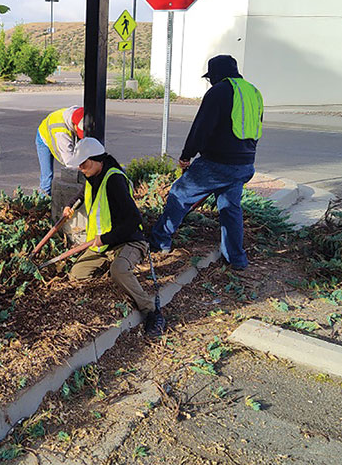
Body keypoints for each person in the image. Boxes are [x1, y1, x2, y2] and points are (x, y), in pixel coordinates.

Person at [149, 54, 263, 270]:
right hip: (244, 164)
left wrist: (186, 155)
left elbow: (201, 127)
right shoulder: (253, 92)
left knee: (179, 195)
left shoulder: (218, 91)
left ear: (217, 75)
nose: (210, 81)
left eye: (210, 77)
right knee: (230, 208)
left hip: (217, 163)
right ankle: (237, 259)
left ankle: (159, 243)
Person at [65, 137, 163, 336]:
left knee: (118, 270)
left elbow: (134, 221)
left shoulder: (114, 180)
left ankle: (151, 311)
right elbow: (83, 193)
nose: (81, 168)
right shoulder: (93, 175)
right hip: (104, 244)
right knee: (77, 274)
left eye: (84, 163)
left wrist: (106, 239)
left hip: (129, 240)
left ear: (96, 159)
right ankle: (110, 265)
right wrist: (70, 205)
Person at [36, 105, 84, 195]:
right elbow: (69, 162)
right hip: (43, 138)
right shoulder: (61, 133)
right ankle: (42, 202)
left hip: (52, 126)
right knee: (47, 178)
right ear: (73, 125)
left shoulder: (79, 113)